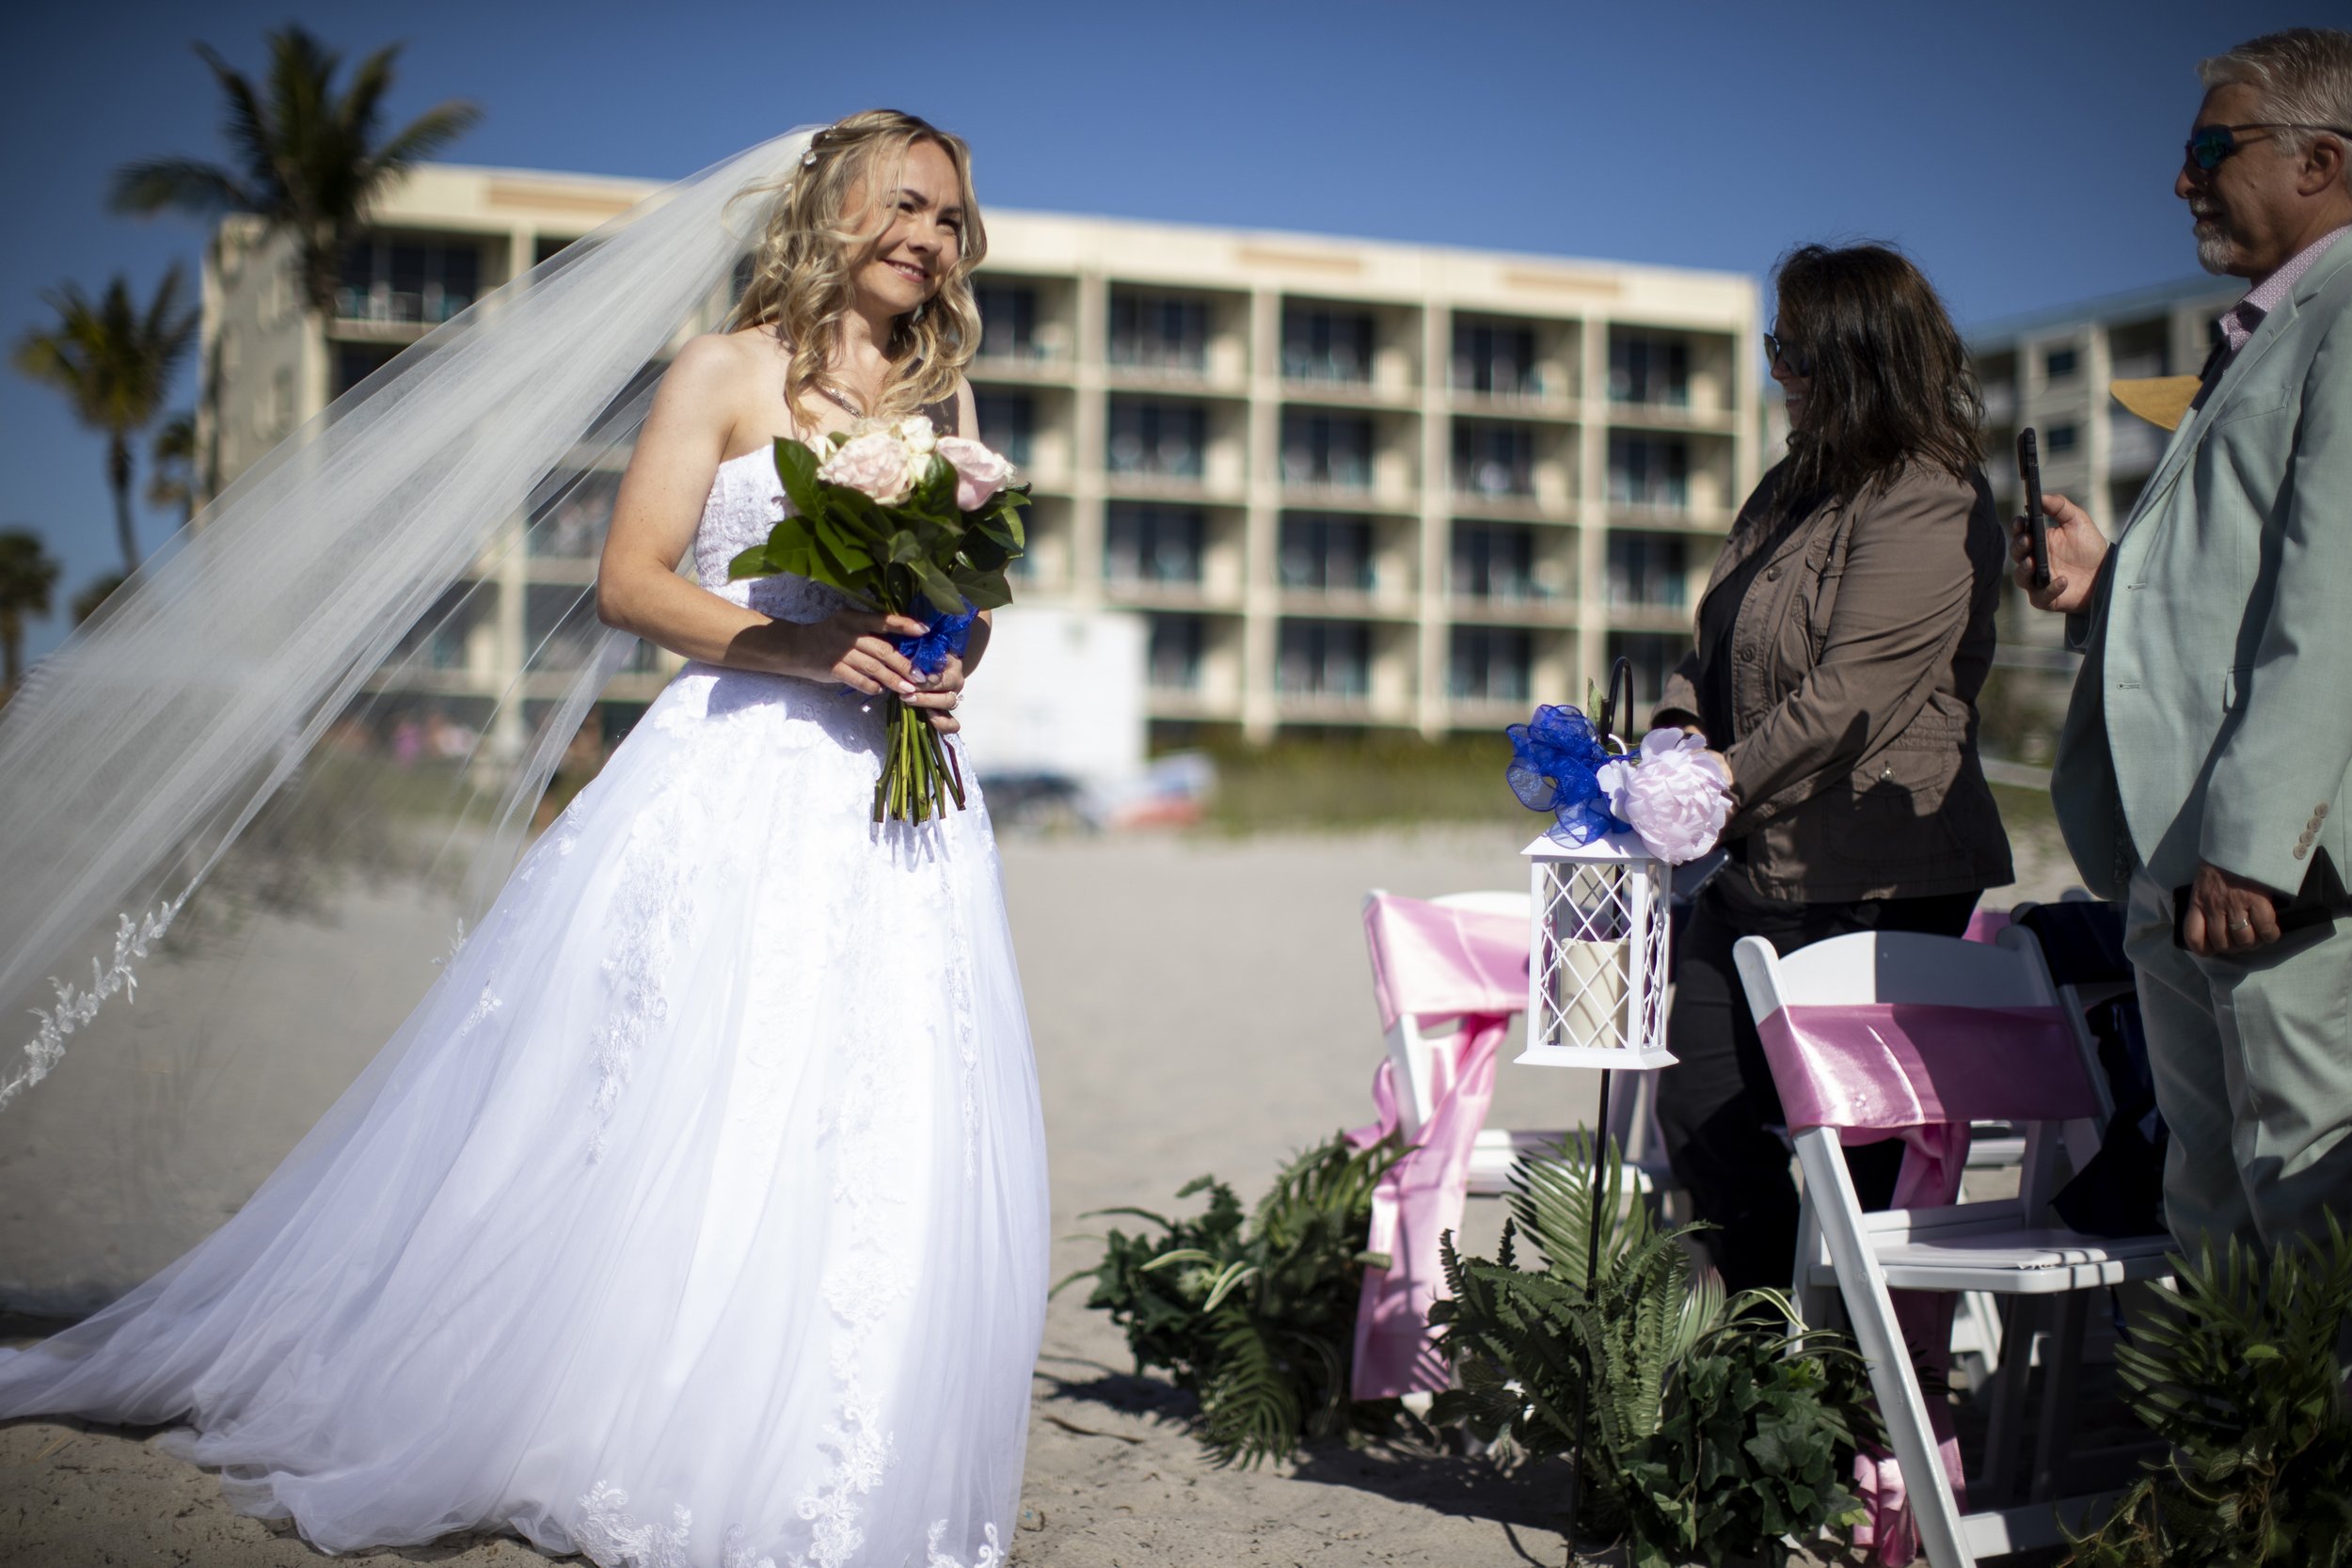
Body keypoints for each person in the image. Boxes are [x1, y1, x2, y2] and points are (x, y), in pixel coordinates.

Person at [0, 110, 1048, 1568]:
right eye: (909, 206)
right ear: (838, 209)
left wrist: (952, 654)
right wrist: (802, 652)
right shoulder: (725, 371)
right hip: (741, 766)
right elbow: (631, 581)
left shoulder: (948, 405)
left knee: (872, 1103)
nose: (931, 240)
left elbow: (970, 601)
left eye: (951, 218)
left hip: (897, 781)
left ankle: (814, 1415)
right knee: (694, 1085)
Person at [2022, 28, 2352, 1257]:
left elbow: (2334, 598)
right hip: (2180, 865)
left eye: (2211, 147)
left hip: (2272, 877)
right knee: (2211, 1219)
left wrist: (2261, 847)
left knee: (2308, 1225)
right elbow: (2228, 589)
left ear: (2321, 158)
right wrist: (2104, 584)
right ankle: (2238, 1457)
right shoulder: (2253, 339)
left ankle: (2303, 1458)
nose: (2182, 180)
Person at [1650, 244, 2014, 1296]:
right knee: (1703, 1111)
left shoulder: (1927, 493)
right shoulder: (1789, 485)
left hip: (1876, 873)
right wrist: (1677, 730)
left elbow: (1854, 690)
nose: (1778, 373)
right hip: (1748, 864)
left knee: (1853, 1157)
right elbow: (1713, 642)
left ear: (1862, 359)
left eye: (1794, 350)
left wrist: (1716, 781)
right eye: (1775, 347)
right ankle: (1756, 1360)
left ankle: (1861, 1394)